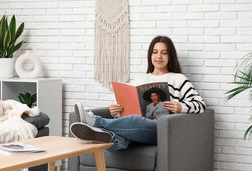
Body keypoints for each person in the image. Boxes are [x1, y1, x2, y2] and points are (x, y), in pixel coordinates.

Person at [70, 35, 206, 151]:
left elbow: (200, 104)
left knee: (135, 121)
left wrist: (180, 107)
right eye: (155, 52)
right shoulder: (140, 79)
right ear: (150, 55)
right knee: (122, 136)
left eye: (164, 53)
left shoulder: (178, 79)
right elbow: (127, 110)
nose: (159, 56)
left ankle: (95, 122)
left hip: (161, 129)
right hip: (138, 129)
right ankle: (108, 137)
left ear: (170, 56)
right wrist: (116, 110)